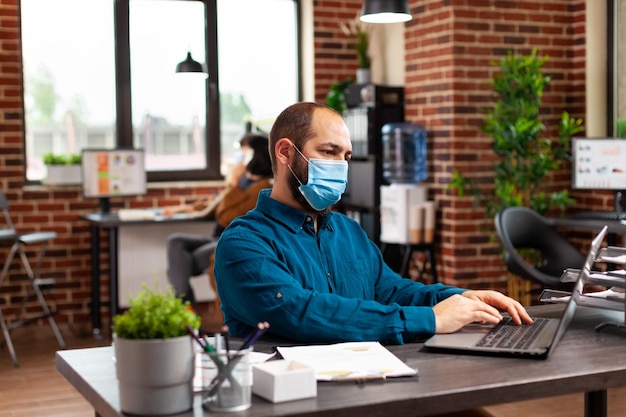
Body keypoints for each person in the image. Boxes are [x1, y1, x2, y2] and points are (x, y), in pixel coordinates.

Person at [214, 102, 532, 345]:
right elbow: (300, 313)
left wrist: (460, 298)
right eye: (329, 152)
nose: (340, 166)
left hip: (373, 386)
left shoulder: (348, 231)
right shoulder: (243, 243)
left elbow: (392, 290)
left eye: (346, 157)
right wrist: (431, 319)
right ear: (285, 152)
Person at [165, 133, 273, 310]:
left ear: (257, 155)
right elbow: (215, 204)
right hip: (215, 237)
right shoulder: (244, 181)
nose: (239, 158)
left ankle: (185, 310)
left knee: (181, 265)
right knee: (175, 241)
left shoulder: (263, 187)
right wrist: (181, 209)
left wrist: (233, 184)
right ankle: (186, 307)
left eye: (245, 153)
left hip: (230, 241)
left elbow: (227, 216)